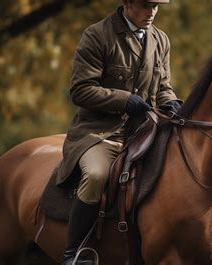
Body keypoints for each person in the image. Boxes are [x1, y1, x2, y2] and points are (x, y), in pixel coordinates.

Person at [55, 0, 182, 264]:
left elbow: (164, 85)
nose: (152, 12)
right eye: (146, 5)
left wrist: (171, 101)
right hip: (101, 131)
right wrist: (124, 100)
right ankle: (75, 253)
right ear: (126, 3)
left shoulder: (161, 39)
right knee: (97, 175)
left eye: (156, 6)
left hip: (146, 130)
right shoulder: (97, 35)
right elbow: (81, 90)